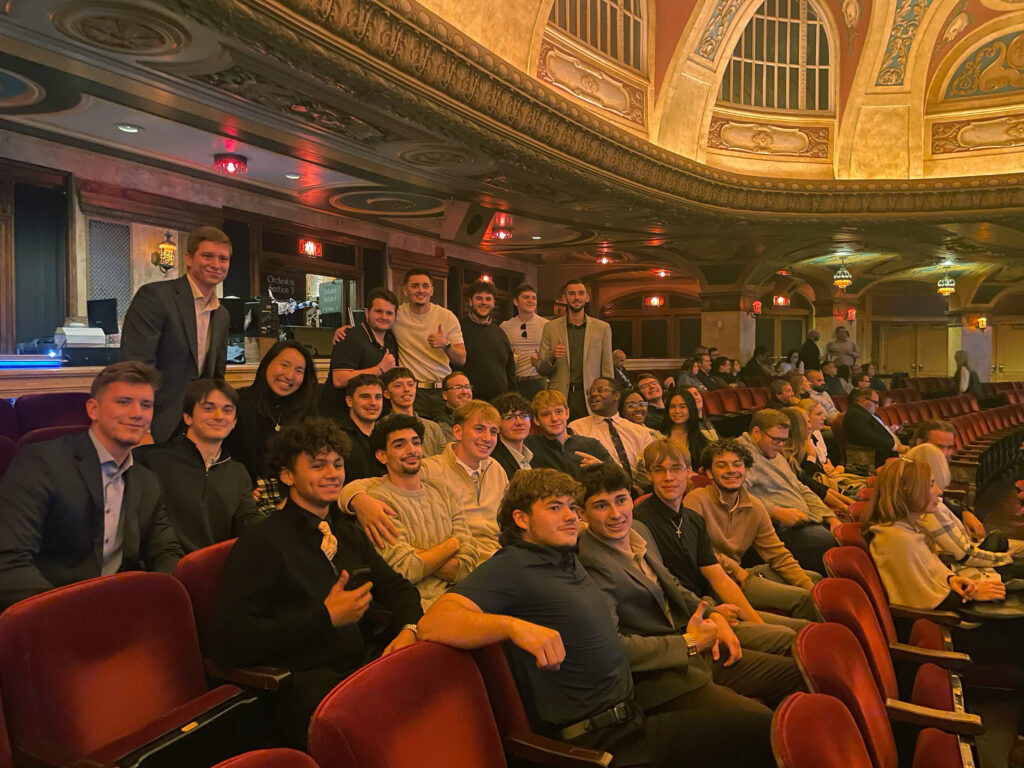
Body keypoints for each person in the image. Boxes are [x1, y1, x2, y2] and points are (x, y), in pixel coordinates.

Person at [418, 468, 776, 768]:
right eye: (555, 508)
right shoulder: (513, 564)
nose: (570, 516)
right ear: (522, 519)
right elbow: (435, 621)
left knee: (764, 728)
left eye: (572, 508)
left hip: (633, 720)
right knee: (763, 732)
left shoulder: (567, 557)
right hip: (598, 744)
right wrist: (512, 626)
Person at [212, 418, 421, 747]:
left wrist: (409, 629)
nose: (333, 473)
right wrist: (324, 617)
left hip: (359, 670)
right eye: (318, 465)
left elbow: (399, 589)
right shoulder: (262, 542)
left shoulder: (346, 532)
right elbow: (230, 642)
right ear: (287, 475)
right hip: (304, 688)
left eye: (337, 464)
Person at [578, 464, 804, 713]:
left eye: (621, 500)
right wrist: (690, 642)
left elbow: (671, 584)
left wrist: (713, 614)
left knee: (796, 650)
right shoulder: (590, 564)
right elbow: (613, 647)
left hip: (696, 634)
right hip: (667, 669)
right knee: (774, 701)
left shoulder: (639, 530)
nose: (616, 514)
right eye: (601, 506)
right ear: (582, 514)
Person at [861, 458, 1024, 768]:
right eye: (930, 485)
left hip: (943, 620)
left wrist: (954, 581)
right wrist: (970, 592)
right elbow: (920, 600)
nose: (938, 492)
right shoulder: (896, 538)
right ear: (910, 492)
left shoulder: (904, 528)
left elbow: (929, 576)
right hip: (943, 632)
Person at [0, 362, 183, 610]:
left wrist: (165, 597)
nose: (137, 413)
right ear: (93, 409)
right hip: (50, 608)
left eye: (146, 405)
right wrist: (74, 615)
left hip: (121, 606)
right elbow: (10, 561)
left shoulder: (147, 480)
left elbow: (165, 551)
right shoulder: (41, 462)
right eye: (124, 402)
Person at [633, 439, 807, 637]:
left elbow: (719, 578)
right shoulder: (640, 521)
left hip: (711, 601)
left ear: (688, 472)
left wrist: (759, 625)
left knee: (801, 628)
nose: (668, 477)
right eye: (659, 470)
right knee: (788, 636)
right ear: (649, 475)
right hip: (689, 618)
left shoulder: (692, 519)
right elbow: (665, 586)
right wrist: (712, 611)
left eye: (676, 469)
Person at [344, 403, 508, 563]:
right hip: (462, 557)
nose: (487, 438)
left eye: (493, 432)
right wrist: (358, 499)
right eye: (479, 429)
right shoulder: (430, 468)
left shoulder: (496, 469)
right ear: (458, 432)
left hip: (498, 555)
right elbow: (369, 484)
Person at [686, 440, 820, 621]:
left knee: (815, 580)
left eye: (737, 464)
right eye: (722, 465)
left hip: (741, 575)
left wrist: (810, 588)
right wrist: (733, 567)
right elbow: (693, 550)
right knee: (804, 598)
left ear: (746, 469)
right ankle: (809, 633)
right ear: (709, 473)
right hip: (717, 584)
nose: (731, 470)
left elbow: (778, 555)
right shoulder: (696, 501)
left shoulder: (755, 507)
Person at [351, 414, 476, 609]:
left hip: (462, 597)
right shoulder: (378, 502)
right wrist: (453, 544)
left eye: (416, 443)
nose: (411, 450)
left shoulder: (444, 491)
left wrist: (420, 557)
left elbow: (468, 566)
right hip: (417, 606)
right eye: (400, 445)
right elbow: (405, 570)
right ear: (382, 455)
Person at [120, 226, 231, 441]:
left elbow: (216, 378)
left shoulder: (222, 314)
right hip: (157, 422)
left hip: (197, 426)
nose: (216, 264)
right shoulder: (155, 296)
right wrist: (142, 426)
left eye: (223, 259)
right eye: (208, 256)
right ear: (189, 259)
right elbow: (135, 368)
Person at [134, 379, 260, 553]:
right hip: (163, 562)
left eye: (227, 410)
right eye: (208, 408)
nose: (219, 416)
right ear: (188, 417)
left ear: (234, 422)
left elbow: (247, 520)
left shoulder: (237, 472)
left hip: (214, 564)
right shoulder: (150, 460)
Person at [736, 410, 838, 574]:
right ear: (756, 432)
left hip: (804, 520)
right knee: (826, 543)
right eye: (776, 439)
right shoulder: (739, 456)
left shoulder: (774, 453)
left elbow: (801, 488)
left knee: (846, 533)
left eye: (784, 440)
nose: (781, 445)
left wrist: (830, 517)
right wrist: (776, 512)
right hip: (775, 529)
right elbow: (736, 495)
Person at [226, 340, 318, 511]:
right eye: (284, 365)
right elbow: (222, 453)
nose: (289, 375)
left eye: (299, 371)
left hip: (295, 494)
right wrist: (240, 485)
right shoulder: (239, 403)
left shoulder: (309, 412)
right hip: (247, 495)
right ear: (267, 363)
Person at [537, 279, 613, 420]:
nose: (576, 297)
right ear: (564, 298)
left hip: (591, 397)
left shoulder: (602, 328)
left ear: (587, 297)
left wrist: (608, 399)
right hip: (560, 397)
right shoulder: (550, 327)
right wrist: (552, 356)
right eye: (572, 294)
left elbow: (607, 369)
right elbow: (541, 369)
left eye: (581, 293)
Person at [321, 287, 400, 419]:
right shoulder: (349, 337)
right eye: (378, 311)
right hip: (340, 419)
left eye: (389, 313)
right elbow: (339, 379)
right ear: (367, 313)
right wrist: (379, 369)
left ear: (395, 316)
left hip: (373, 417)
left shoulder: (391, 340)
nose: (384, 317)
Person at [569, 378, 655, 480]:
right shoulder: (577, 428)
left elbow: (651, 468)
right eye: (590, 392)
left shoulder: (640, 432)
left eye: (600, 390)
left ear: (617, 395)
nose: (594, 394)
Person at [526, 389, 613, 478]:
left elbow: (620, 478)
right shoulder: (529, 446)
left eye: (559, 411)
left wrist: (603, 469)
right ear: (536, 420)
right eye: (546, 414)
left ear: (567, 413)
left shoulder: (592, 445)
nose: (554, 419)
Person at [460, 279, 516, 404]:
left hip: (500, 403)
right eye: (479, 298)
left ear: (493, 303)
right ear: (470, 301)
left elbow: (509, 369)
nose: (484, 302)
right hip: (470, 402)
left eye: (488, 299)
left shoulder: (499, 332)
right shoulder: (459, 329)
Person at [381, 367, 446, 456]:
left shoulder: (433, 427)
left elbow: (444, 460)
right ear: (386, 394)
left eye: (410, 384)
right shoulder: (382, 427)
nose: (406, 389)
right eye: (398, 385)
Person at [499, 282, 549, 401]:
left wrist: (542, 360)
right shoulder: (505, 326)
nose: (531, 301)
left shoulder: (547, 325)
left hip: (538, 381)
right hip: (514, 382)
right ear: (516, 301)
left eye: (534, 298)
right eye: (526, 297)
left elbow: (554, 356)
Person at [336, 374, 385, 482]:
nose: (373, 403)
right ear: (349, 401)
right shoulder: (336, 436)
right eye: (365, 396)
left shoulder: (388, 434)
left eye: (378, 397)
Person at [842, 387, 907, 466]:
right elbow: (868, 437)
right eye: (875, 402)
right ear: (862, 399)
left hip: (886, 452)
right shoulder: (855, 415)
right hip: (876, 458)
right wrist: (895, 447)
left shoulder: (864, 413)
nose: (877, 406)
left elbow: (875, 432)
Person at [490, 392, 536, 480]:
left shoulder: (535, 452)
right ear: (497, 425)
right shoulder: (495, 461)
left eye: (524, 416)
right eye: (510, 417)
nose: (519, 422)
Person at [658, 390, 709, 468]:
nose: (677, 411)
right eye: (672, 407)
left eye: (682, 407)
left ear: (691, 408)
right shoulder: (658, 433)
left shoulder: (701, 441)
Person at [437, 371, 474, 442]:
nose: (464, 392)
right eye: (458, 387)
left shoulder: (478, 415)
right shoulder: (442, 423)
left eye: (467, 387)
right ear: (445, 395)